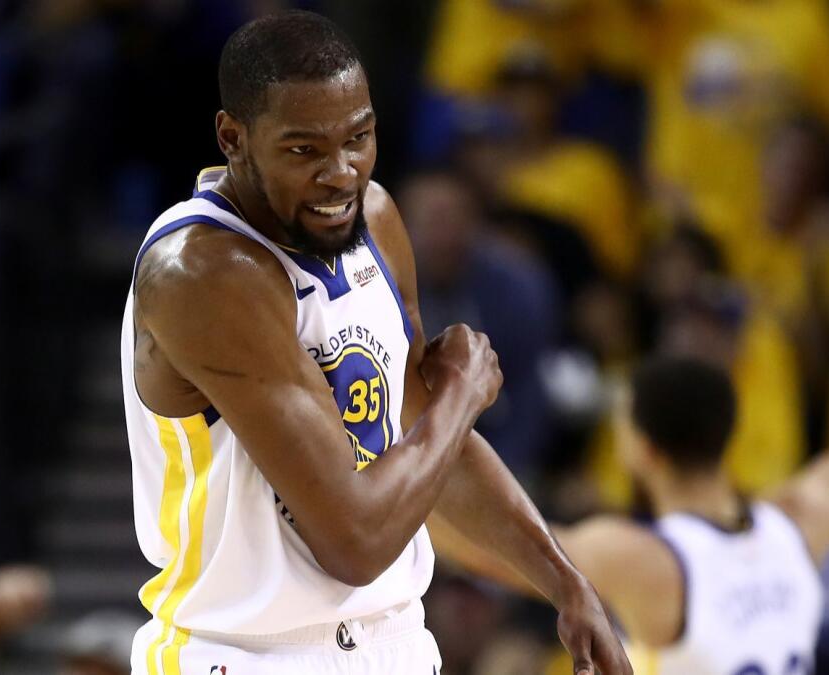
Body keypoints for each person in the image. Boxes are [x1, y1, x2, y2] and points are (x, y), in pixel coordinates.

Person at [121, 10, 631, 675]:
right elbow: (355, 540)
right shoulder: (205, 274)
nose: (341, 173)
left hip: (394, 641)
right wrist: (463, 393)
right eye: (304, 149)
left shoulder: (378, 217)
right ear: (233, 137)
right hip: (242, 653)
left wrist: (567, 582)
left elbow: (423, 435)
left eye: (358, 138)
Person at [436, 227, 829, 673]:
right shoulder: (793, 526)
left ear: (644, 450)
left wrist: (388, 485)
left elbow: (493, 554)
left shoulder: (651, 563)